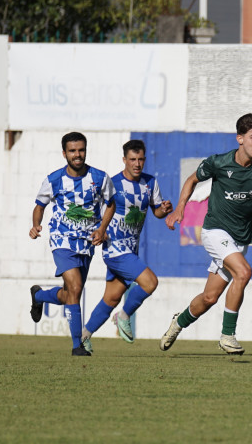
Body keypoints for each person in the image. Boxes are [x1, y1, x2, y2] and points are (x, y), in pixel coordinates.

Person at [160, 113, 252, 355]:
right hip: (215, 230)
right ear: (240, 138)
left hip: (240, 239)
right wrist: (181, 206)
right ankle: (227, 336)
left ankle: (177, 323)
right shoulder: (219, 163)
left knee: (209, 298)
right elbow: (192, 180)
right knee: (243, 272)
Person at [79, 140, 173, 353]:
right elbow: (98, 212)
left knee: (111, 298)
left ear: (144, 160)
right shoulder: (113, 184)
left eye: (140, 160)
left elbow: (156, 211)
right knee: (150, 282)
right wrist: (99, 231)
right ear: (124, 160)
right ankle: (124, 316)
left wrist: (164, 209)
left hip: (131, 249)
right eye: (132, 159)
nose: (137, 164)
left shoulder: (150, 183)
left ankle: (83, 337)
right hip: (114, 248)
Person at [28, 132, 114, 356]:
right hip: (61, 240)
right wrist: (36, 225)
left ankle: (38, 296)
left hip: (87, 243)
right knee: (75, 288)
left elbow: (111, 204)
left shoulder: (100, 177)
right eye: (73, 151)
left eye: (81, 150)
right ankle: (78, 346)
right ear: (64, 153)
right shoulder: (54, 179)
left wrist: (102, 229)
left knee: (70, 295)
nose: (78, 155)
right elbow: (39, 206)